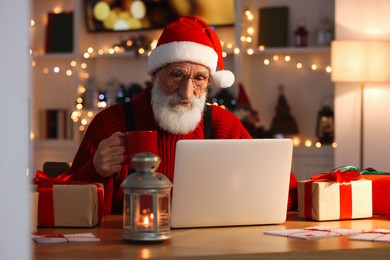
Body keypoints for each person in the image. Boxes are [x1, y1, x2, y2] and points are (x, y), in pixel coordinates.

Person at [69, 16, 297, 214]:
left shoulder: (222, 124)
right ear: (155, 75)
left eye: (199, 78)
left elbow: (284, 193)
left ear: (209, 82)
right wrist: (95, 170)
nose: (187, 92)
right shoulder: (110, 123)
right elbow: (69, 208)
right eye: (177, 75)